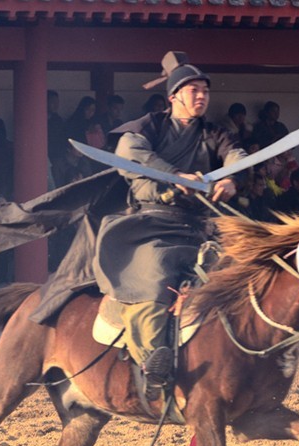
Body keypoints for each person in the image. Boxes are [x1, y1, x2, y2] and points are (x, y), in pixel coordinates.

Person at [93, 52, 246, 394]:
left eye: (205, 90)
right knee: (154, 278)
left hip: (199, 223)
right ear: (174, 96)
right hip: (150, 225)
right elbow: (131, 153)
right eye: (194, 90)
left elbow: (236, 154)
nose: (202, 96)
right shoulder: (148, 126)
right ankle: (153, 363)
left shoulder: (214, 133)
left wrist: (230, 178)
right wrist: (174, 176)